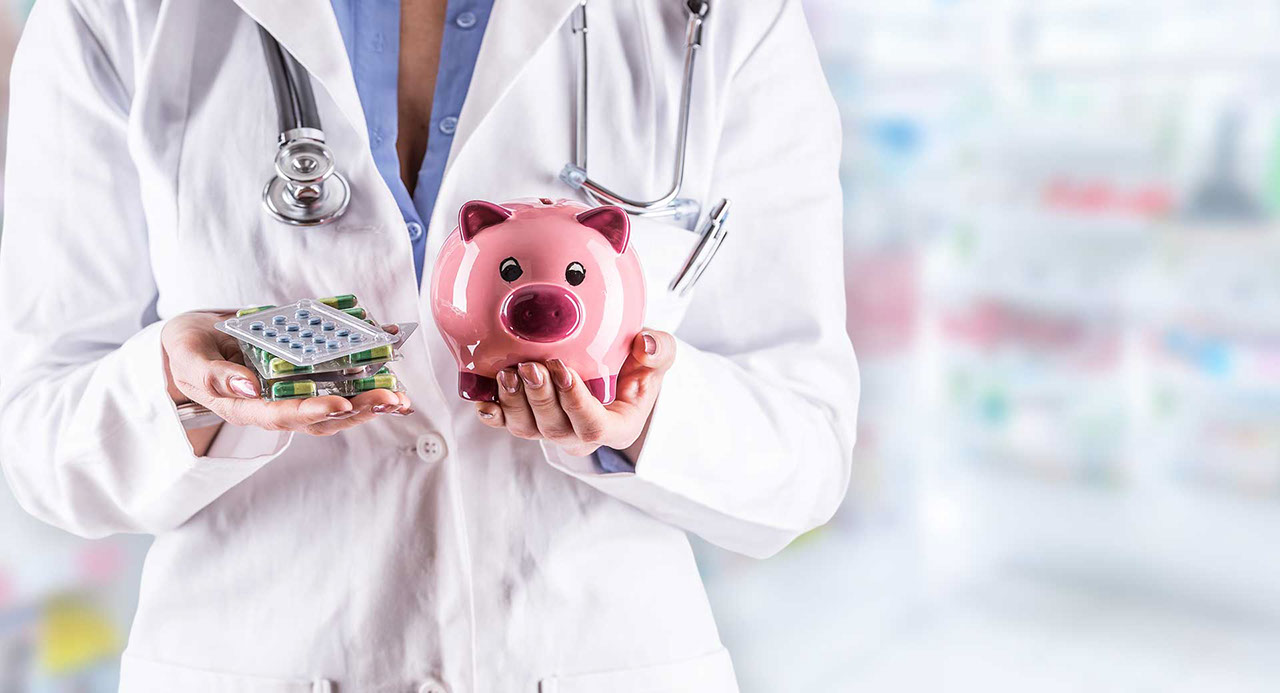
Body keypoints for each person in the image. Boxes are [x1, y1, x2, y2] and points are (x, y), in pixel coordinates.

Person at [0, 0, 858, 690]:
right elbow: (40, 440)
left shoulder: (724, 17)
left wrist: (640, 413)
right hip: (257, 653)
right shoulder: (110, 14)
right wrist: (180, 390)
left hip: (594, 652)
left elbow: (804, 454)